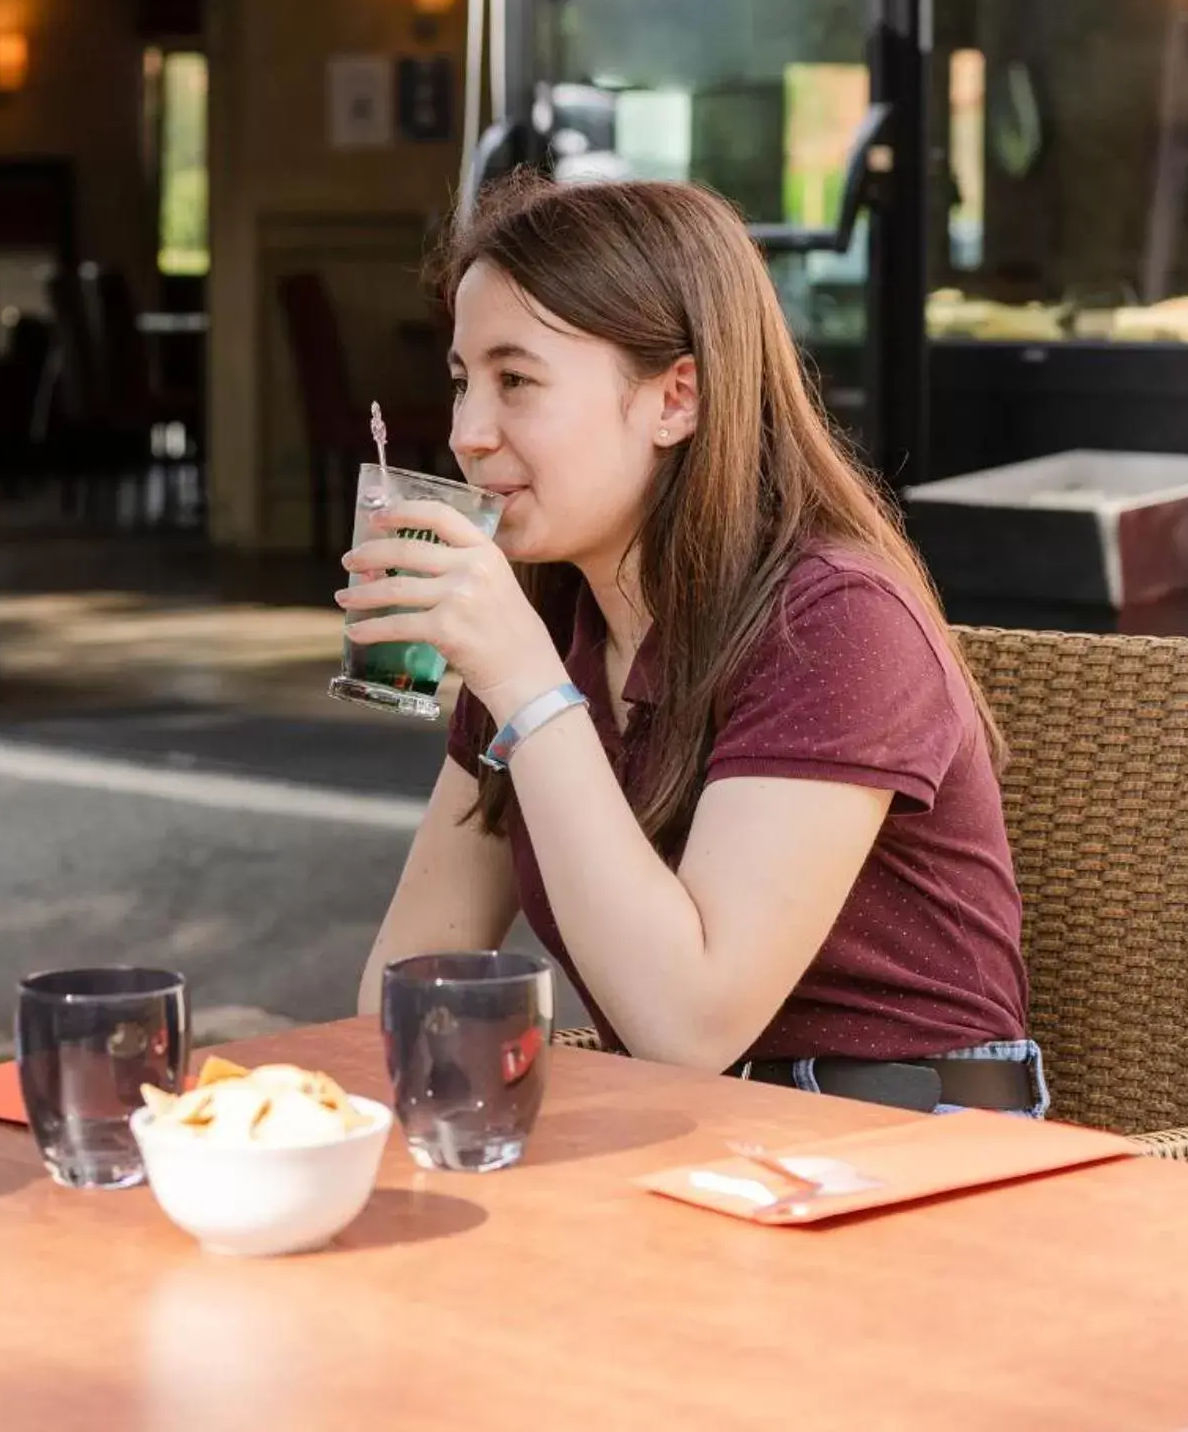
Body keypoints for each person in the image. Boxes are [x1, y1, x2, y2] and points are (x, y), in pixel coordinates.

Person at [353, 174, 1044, 1119]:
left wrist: (527, 686)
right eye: (464, 381)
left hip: (900, 1145)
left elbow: (690, 1023)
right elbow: (399, 992)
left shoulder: (835, 622)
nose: (470, 435)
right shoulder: (545, 633)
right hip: (684, 1138)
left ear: (676, 398)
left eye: (517, 380)